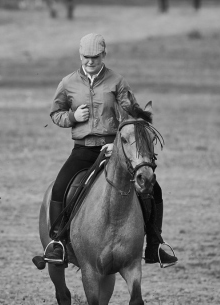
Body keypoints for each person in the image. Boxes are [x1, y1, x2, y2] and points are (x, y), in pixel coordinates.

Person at [43, 33, 178, 267]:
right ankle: (59, 243)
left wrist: (137, 122)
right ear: (80, 55)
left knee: (153, 189)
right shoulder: (68, 83)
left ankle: (155, 245)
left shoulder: (117, 82)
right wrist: (73, 117)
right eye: (86, 57)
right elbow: (55, 114)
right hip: (83, 149)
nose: (90, 61)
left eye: (95, 57)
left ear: (103, 55)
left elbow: (132, 112)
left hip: (114, 148)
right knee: (60, 187)